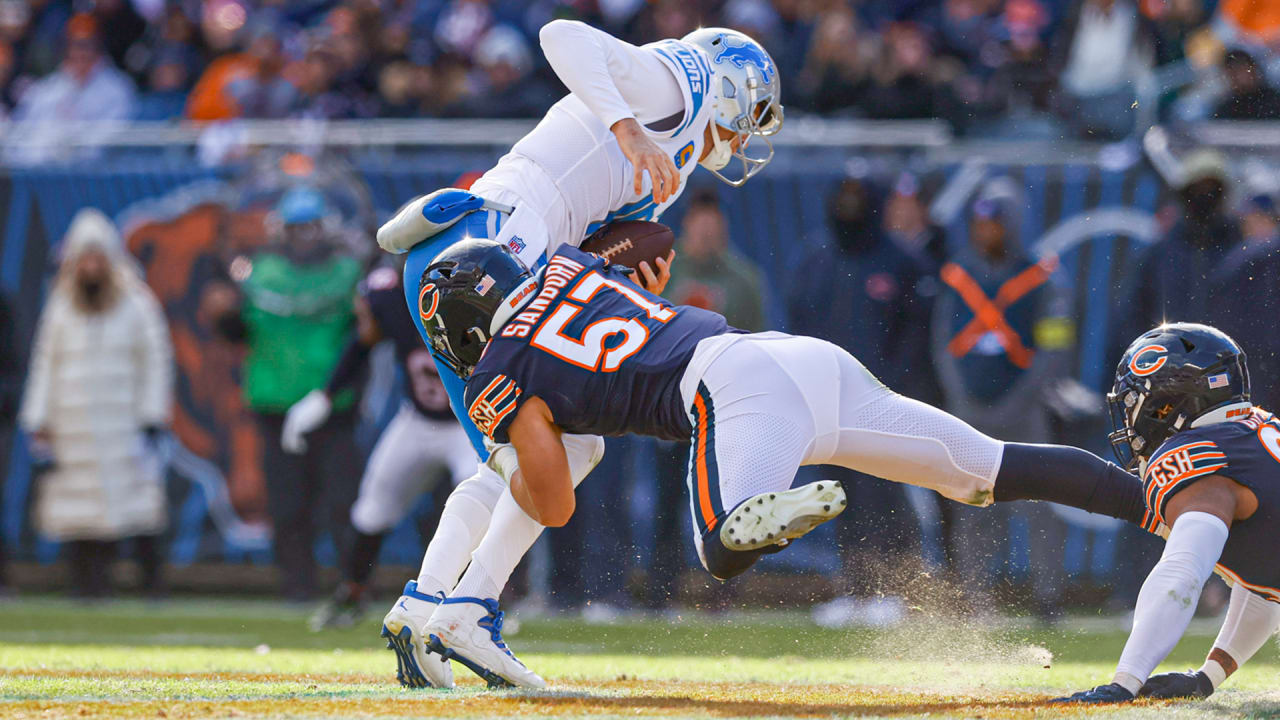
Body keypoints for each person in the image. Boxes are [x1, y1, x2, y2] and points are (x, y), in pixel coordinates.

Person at [417, 238, 1149, 688]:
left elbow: (553, 504)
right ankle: (1151, 498)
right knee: (989, 468)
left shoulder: (500, 369)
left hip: (731, 395)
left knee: (722, 550)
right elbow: (650, 246)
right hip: (796, 358)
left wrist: (514, 454)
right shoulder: (568, 268)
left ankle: (762, 511)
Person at [373, 22, 784, 690]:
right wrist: (625, 125)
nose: (750, 135)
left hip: (489, 254)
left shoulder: (672, 163)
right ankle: (463, 611)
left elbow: (581, 245)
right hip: (489, 257)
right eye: (753, 114)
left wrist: (618, 280)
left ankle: (428, 605)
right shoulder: (675, 83)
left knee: (537, 451)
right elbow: (561, 33)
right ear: (729, 84)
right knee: (567, 448)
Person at [1056, 323, 1280, 704]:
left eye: (1134, 403)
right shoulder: (1260, 432)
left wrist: (1125, 681)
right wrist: (1206, 678)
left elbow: (1182, 573)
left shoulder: (1196, 457)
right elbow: (1266, 585)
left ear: (1169, 401)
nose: (1129, 419)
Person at [203, 187, 364, 603]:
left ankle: (352, 585)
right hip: (275, 404)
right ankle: (297, 587)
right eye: (297, 229)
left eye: (310, 227)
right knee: (288, 505)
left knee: (343, 504)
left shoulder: (347, 273)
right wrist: (224, 318)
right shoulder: (259, 273)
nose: (304, 237)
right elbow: (239, 332)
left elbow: (363, 338)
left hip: (332, 407)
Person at [293, 264, 474, 631]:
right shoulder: (393, 295)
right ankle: (354, 590)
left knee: (483, 502)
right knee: (374, 505)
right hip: (417, 420)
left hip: (470, 425)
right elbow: (363, 341)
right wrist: (326, 396)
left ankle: (480, 599)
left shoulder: (472, 288)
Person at [932, 192, 1073, 620]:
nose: (986, 232)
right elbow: (942, 344)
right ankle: (977, 600)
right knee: (972, 508)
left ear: (1012, 224)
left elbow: (1055, 347)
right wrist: (961, 398)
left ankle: (1048, 598)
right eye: (980, 223)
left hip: (1026, 412)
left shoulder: (1042, 276)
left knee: (1038, 507)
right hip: (970, 412)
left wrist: (1021, 400)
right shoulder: (958, 276)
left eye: (995, 223)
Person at [18, 208, 172, 598]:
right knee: (77, 512)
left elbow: (155, 360)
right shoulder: (61, 306)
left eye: (97, 257)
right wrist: (39, 419)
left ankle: (152, 588)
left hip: (123, 425)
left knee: (139, 508)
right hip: (73, 427)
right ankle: (87, 588)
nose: (91, 266)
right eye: (84, 257)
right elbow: (44, 363)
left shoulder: (136, 302)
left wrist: (152, 416)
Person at [650, 187, 766, 608]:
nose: (707, 233)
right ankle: (660, 592)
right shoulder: (664, 270)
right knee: (666, 505)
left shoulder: (743, 279)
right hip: (669, 406)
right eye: (700, 225)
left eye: (714, 226)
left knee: (726, 504)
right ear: (685, 227)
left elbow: (758, 342)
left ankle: (726, 591)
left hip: (723, 409)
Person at [5, 13, 137, 163]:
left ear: (99, 46)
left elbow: (111, 140)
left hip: (93, 176)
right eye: (73, 44)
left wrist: (68, 147)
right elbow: (23, 135)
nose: (79, 52)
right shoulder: (48, 88)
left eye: (86, 44)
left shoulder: (118, 89)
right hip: (41, 173)